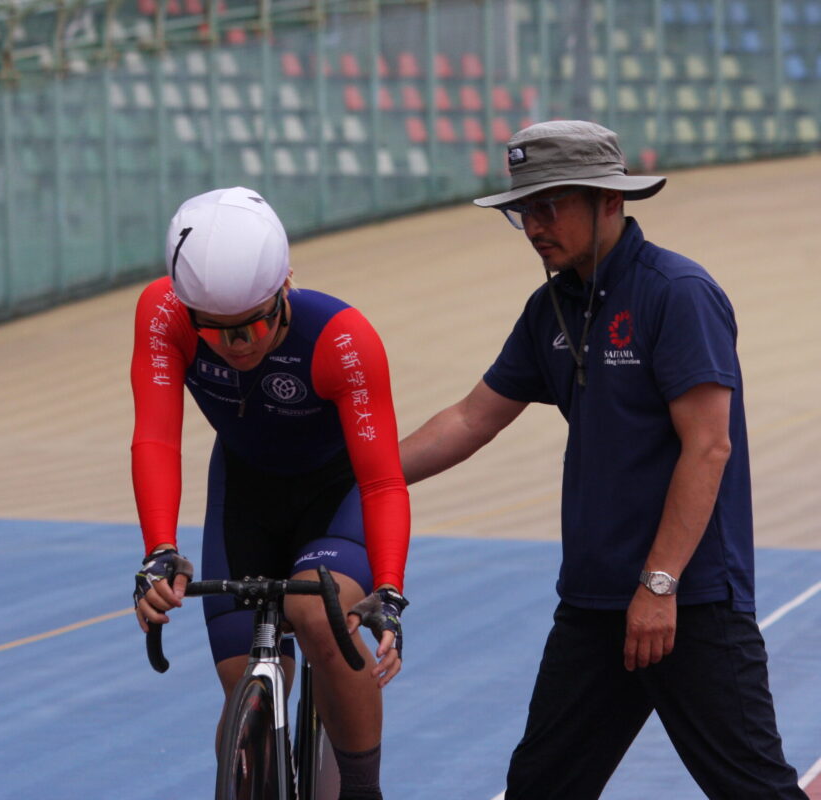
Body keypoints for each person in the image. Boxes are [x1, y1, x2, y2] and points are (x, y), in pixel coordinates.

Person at [398, 120, 807, 799]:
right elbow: (472, 417)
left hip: (690, 602)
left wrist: (660, 584)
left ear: (610, 201)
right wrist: (359, 476)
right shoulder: (550, 308)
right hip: (593, 605)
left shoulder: (677, 294)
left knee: (753, 791)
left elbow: (709, 446)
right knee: (541, 787)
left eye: (549, 205)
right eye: (523, 210)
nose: (533, 225)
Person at [131, 187, 411, 800]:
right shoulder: (162, 312)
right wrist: (158, 551)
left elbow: (384, 480)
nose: (239, 345)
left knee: (316, 615)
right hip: (246, 495)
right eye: (216, 331)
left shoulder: (341, 338)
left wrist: (389, 588)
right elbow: (155, 438)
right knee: (243, 684)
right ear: (187, 311)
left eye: (254, 324)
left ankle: (364, 791)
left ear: (285, 288)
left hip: (336, 497)